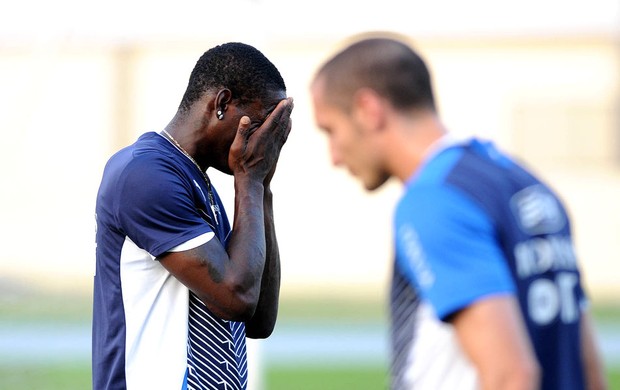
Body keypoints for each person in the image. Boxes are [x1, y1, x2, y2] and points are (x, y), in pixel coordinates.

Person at [310, 33, 607, 390]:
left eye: (331, 130)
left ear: (369, 110)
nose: (335, 156)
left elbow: (510, 375)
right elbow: (586, 365)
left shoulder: (433, 200)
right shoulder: (525, 184)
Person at [93, 42, 293, 390]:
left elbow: (260, 318)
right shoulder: (145, 174)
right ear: (222, 104)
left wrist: (263, 188)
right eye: (261, 125)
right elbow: (237, 298)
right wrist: (251, 180)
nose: (264, 141)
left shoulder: (198, 182)